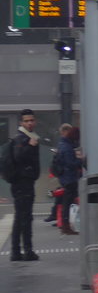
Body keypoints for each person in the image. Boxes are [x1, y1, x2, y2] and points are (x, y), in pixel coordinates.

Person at [7, 109, 42, 262]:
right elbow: (19, 157)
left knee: (21, 217)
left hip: (23, 182)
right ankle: (26, 251)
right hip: (22, 183)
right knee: (24, 217)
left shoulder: (26, 137)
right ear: (21, 122)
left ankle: (17, 251)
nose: (30, 123)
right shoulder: (22, 139)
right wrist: (30, 145)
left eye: (32, 120)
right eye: (26, 121)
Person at [55, 124, 82, 236]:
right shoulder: (67, 147)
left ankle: (65, 224)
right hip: (69, 177)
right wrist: (81, 161)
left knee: (67, 202)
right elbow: (70, 163)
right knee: (68, 202)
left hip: (65, 177)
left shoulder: (62, 145)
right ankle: (67, 225)